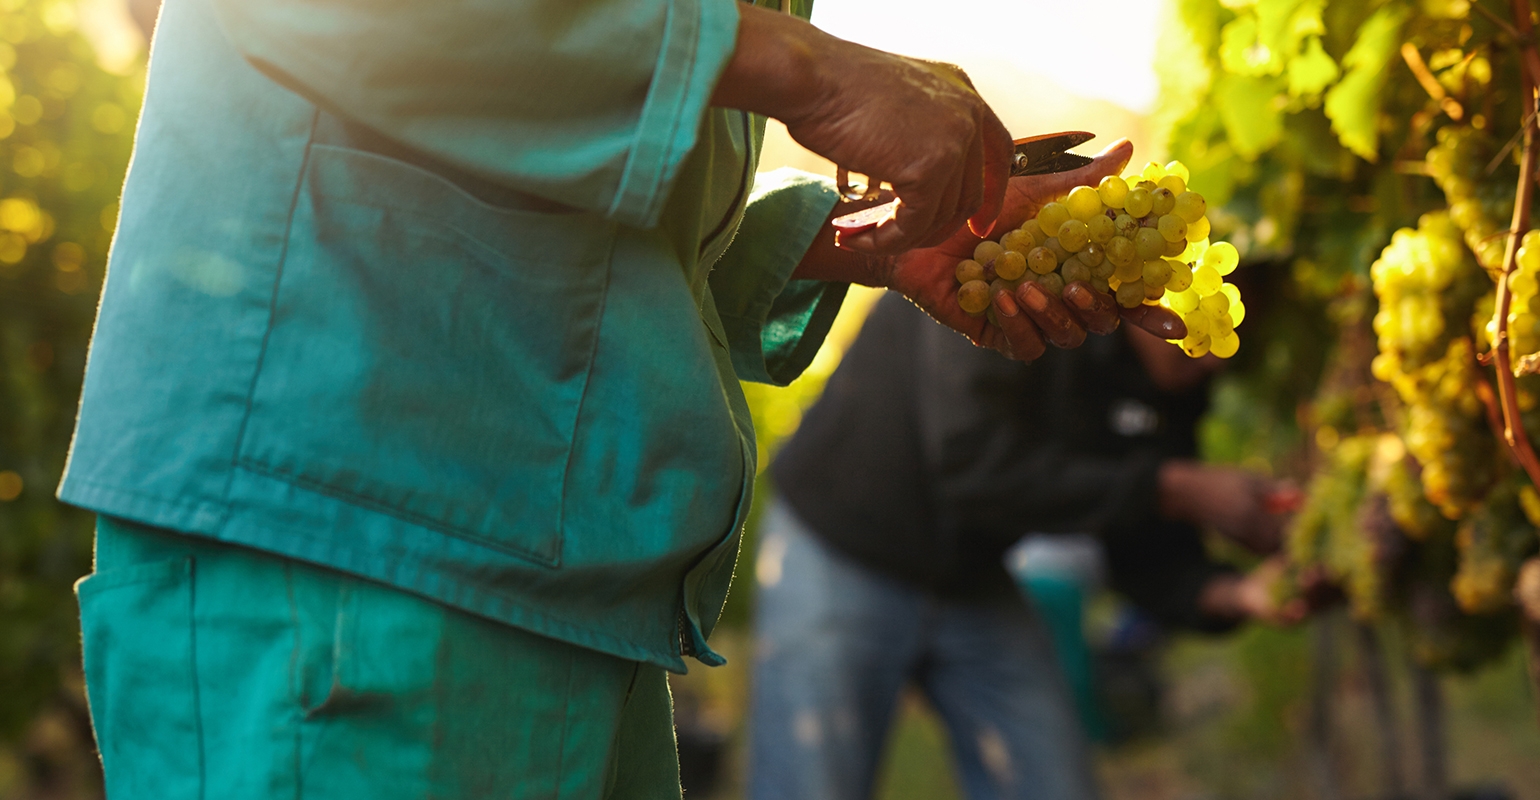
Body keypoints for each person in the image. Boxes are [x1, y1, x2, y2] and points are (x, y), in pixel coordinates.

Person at [58, 0, 1185, 797]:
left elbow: (597, 187)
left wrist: (872, 246)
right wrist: (807, 66)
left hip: (523, 556)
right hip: (350, 537)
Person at [751, 292, 1297, 800]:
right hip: (841, 545)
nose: (1218, 359)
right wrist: (1171, 488)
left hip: (972, 573)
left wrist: (1240, 593)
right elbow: (972, 467)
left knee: (1055, 784)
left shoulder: (1171, 373)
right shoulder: (1026, 273)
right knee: (809, 783)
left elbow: (1140, 537)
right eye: (1208, 325)